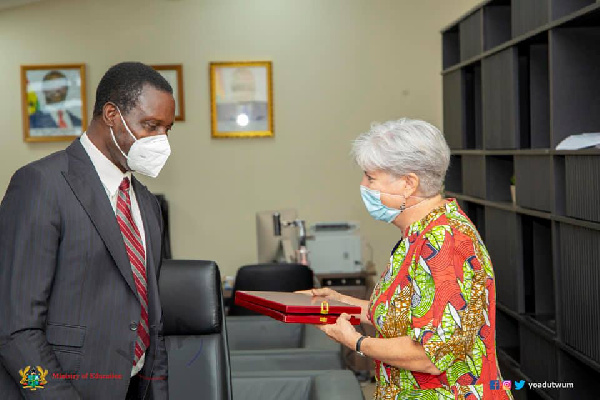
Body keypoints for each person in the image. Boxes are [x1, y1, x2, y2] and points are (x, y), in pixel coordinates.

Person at [299, 118, 513, 399]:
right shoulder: (417, 235)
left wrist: (356, 341)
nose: (363, 185)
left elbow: (431, 356)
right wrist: (342, 302)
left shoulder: (445, 242)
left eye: (371, 177)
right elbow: (405, 315)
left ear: (408, 183)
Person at [0, 62, 174, 400]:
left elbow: (152, 325)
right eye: (151, 126)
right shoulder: (41, 185)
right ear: (111, 114)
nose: (161, 141)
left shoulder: (148, 205)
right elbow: (13, 330)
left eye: (167, 129)